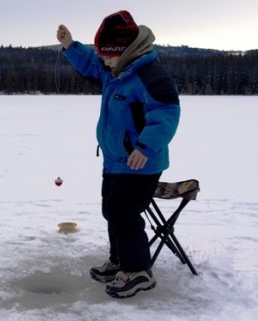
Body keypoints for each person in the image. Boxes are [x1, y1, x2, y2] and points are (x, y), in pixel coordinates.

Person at [56, 10, 180, 299]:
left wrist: (145, 147)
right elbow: (90, 62)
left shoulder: (150, 75)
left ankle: (138, 271)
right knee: (111, 211)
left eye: (107, 55)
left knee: (124, 213)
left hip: (141, 163)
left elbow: (166, 113)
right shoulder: (115, 69)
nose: (104, 60)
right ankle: (120, 260)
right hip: (115, 161)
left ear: (123, 51)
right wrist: (70, 46)